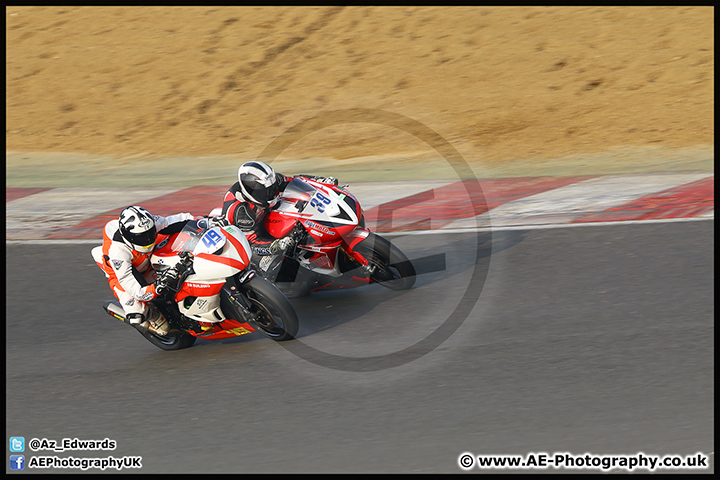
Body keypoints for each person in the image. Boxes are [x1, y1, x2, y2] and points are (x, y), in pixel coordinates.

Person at [218, 161, 338, 276]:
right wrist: (278, 245)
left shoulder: (267, 182)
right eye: (266, 192)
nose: (272, 193)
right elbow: (251, 244)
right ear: (252, 192)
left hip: (265, 220)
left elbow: (295, 181)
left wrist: (319, 180)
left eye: (272, 188)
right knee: (275, 266)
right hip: (247, 244)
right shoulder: (242, 212)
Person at [93, 205, 195, 335]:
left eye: (150, 233)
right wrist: (157, 287)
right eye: (141, 237)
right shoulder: (118, 252)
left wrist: (205, 221)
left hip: (149, 257)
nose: (147, 239)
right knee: (137, 316)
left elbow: (177, 220)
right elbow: (137, 290)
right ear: (128, 237)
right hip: (126, 275)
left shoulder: (148, 223)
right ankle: (153, 316)